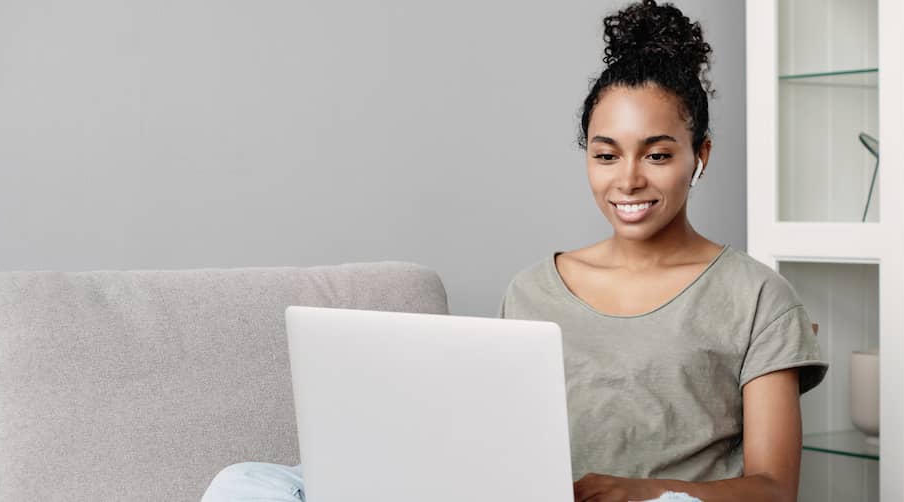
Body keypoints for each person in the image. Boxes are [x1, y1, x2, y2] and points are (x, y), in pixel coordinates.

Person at [202, 1, 826, 501]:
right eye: (605, 154)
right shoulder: (532, 288)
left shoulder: (758, 296)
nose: (628, 180)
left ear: (700, 157)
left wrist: (639, 491)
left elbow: (774, 488)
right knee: (247, 484)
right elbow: (494, 442)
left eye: (657, 154)